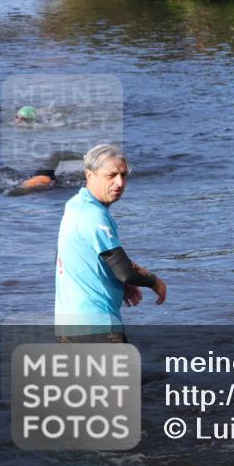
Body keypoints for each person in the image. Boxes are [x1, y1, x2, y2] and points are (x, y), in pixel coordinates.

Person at [55, 144, 167, 341]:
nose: (120, 182)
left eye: (123, 175)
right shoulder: (94, 216)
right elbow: (124, 271)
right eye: (111, 175)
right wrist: (154, 281)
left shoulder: (75, 205)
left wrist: (118, 284)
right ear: (89, 175)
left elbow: (78, 257)